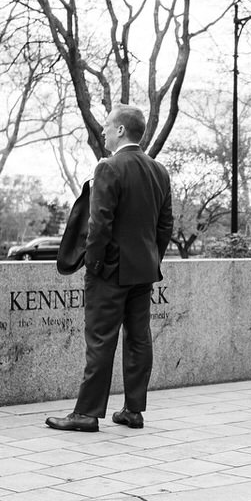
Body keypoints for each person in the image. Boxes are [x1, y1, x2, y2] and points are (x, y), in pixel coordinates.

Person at [47, 104, 173, 433]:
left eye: (107, 126)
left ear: (120, 130)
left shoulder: (108, 167)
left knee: (100, 340)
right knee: (139, 339)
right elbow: (165, 226)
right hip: (144, 271)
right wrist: (152, 258)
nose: (102, 131)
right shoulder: (160, 171)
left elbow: (99, 224)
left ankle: (86, 414)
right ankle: (133, 410)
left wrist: (95, 265)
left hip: (111, 272)